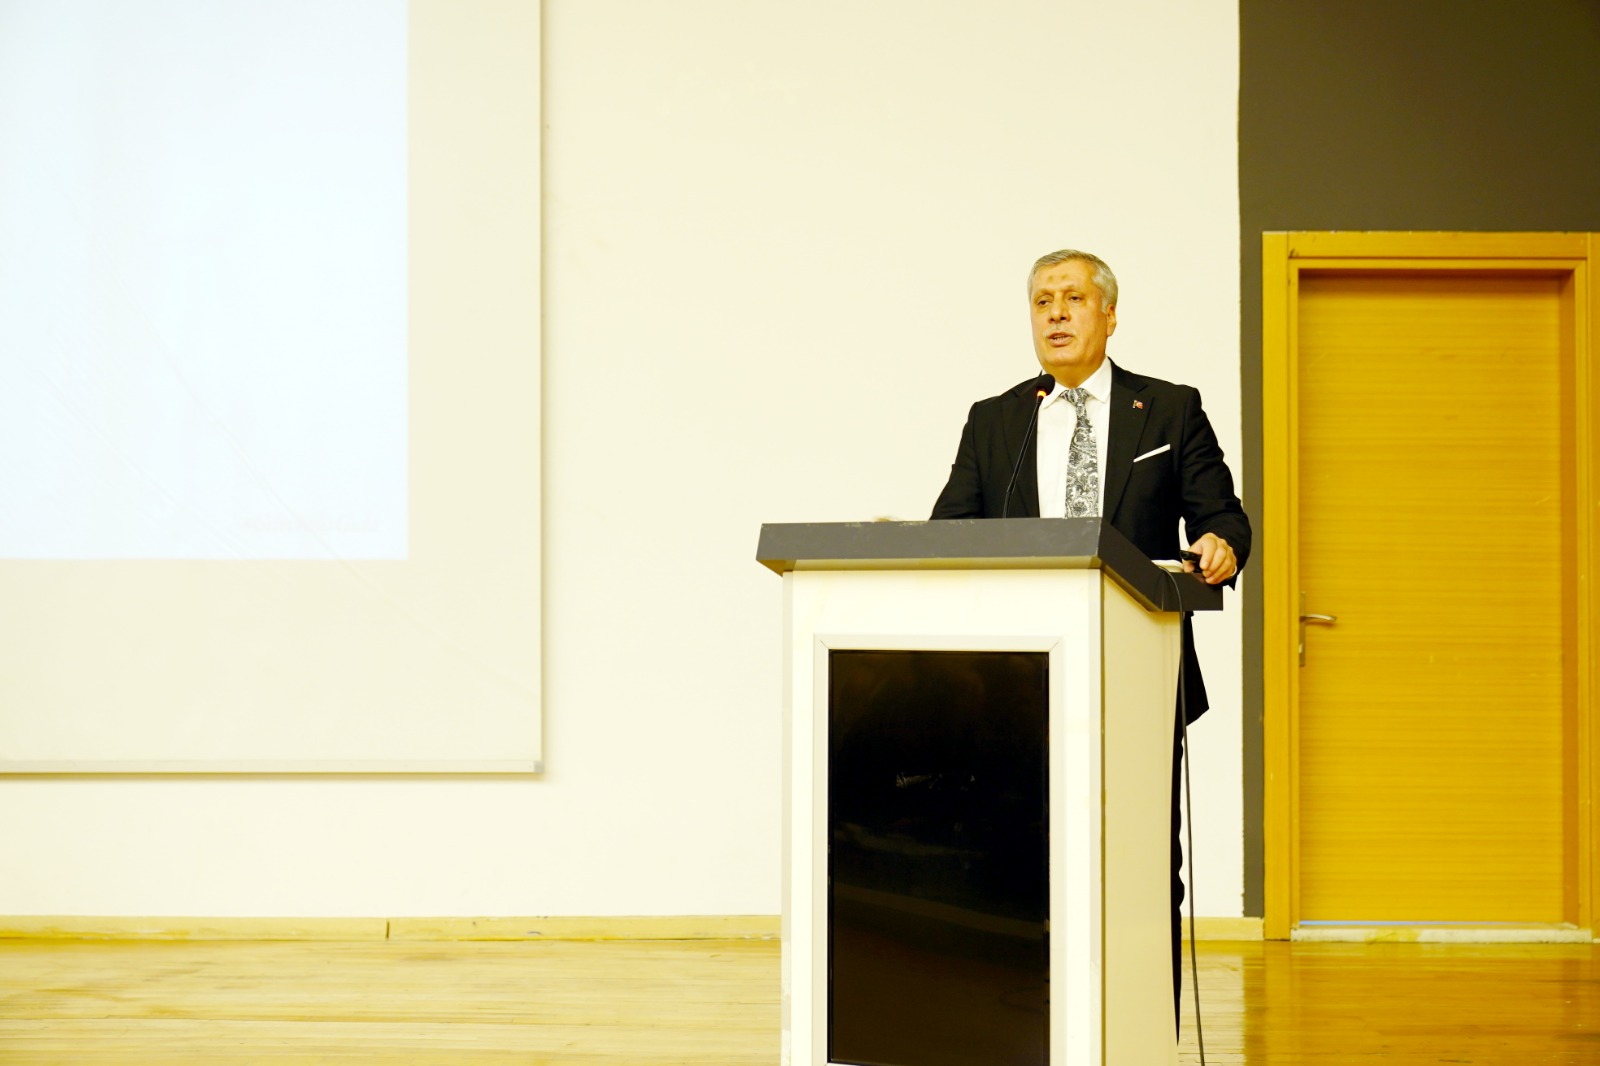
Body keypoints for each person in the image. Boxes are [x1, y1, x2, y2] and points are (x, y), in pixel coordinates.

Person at [930, 248, 1251, 1028]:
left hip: (1139, 674)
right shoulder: (996, 419)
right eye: (1042, 301)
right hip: (1017, 684)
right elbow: (949, 533)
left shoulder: (1168, 409)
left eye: (1072, 298)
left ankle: (1145, 1029)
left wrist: (1222, 546)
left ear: (1109, 314)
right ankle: (1029, 1027)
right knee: (1018, 861)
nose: (1056, 314)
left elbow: (1222, 515)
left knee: (1142, 863)